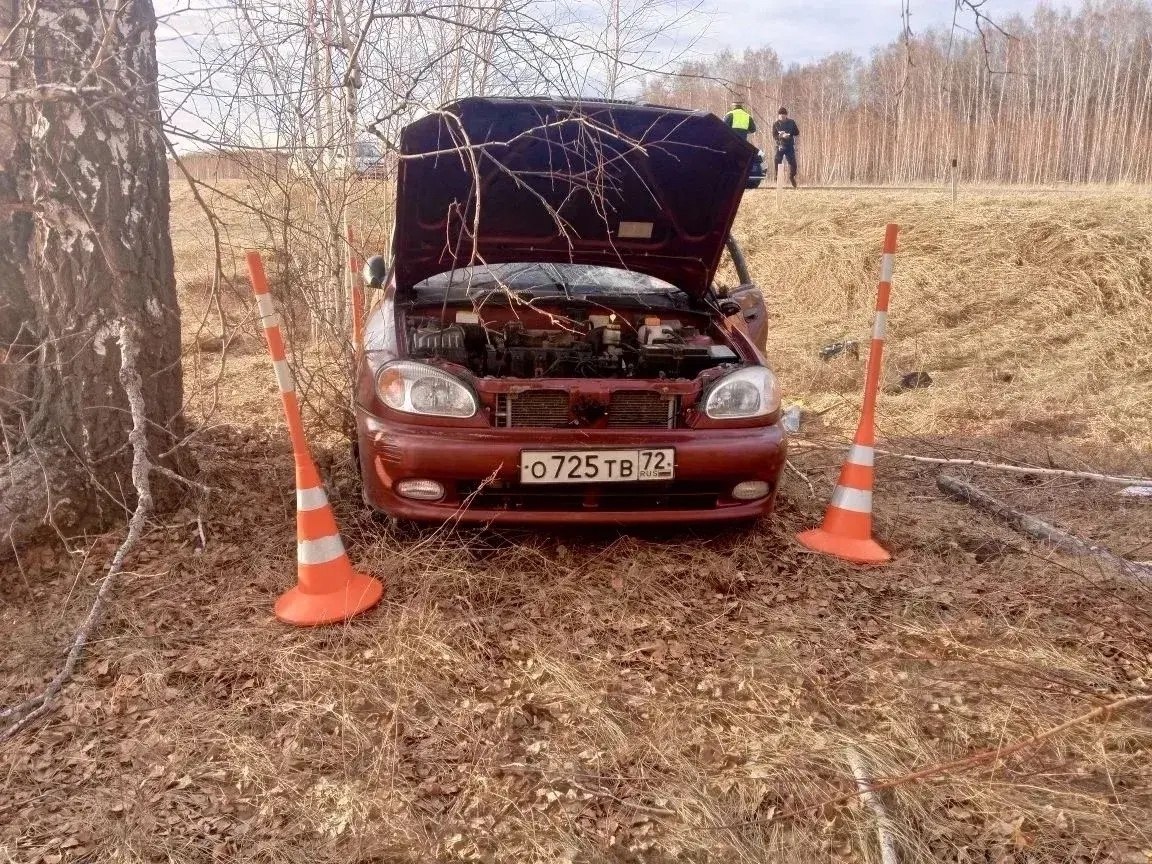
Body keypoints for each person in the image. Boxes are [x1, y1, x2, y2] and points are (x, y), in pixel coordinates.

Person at [772, 107, 800, 188]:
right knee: (777, 161)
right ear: (778, 116)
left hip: (789, 146)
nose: (782, 117)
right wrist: (779, 136)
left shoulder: (792, 122)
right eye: (780, 116)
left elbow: (797, 132)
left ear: (786, 115)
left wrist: (789, 134)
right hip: (780, 146)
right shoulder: (776, 124)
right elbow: (774, 136)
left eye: (783, 116)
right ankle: (777, 177)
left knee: (793, 164)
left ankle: (791, 177)